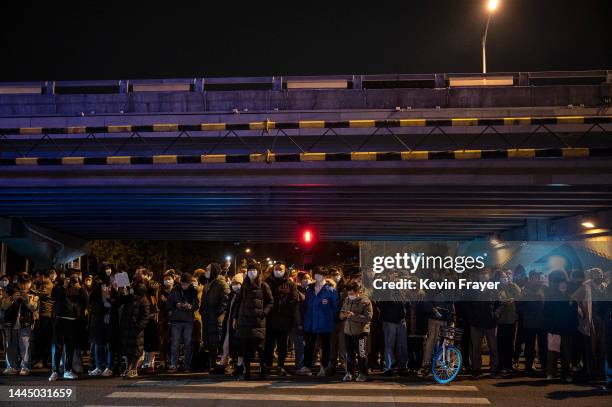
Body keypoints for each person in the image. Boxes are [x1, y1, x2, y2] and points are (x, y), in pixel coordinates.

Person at [234, 262, 273, 380]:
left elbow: (270, 301)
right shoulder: (244, 285)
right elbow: (238, 302)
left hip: (257, 322)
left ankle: (263, 369)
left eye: (254, 270)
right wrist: (236, 317)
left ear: (258, 272)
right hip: (244, 321)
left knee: (260, 348)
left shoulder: (264, 285)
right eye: (250, 270)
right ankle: (247, 371)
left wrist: (264, 313)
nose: (252, 272)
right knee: (246, 348)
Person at [299, 266, 339, 377]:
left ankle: (323, 367)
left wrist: (331, 318)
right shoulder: (310, 289)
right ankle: (306, 367)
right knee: (309, 346)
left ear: (325, 276)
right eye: (316, 274)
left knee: (325, 346)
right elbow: (306, 306)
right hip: (311, 323)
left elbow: (335, 308)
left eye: (320, 274)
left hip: (325, 323)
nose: (317, 276)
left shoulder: (331, 290)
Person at [49, 270, 88, 381]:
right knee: (58, 347)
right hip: (60, 320)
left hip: (73, 321)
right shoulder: (59, 286)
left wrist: (80, 288)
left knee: (70, 347)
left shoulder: (79, 288)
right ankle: (55, 371)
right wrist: (64, 287)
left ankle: (68, 370)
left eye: (75, 277)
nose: (73, 280)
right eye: (71, 277)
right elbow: (54, 297)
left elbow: (86, 301)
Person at [264, 262, 299, 376]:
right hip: (270, 319)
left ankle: (280, 366)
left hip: (284, 320)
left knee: (282, 345)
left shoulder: (290, 284)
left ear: (285, 271)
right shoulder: (267, 282)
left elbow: (294, 299)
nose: (278, 270)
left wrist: (288, 312)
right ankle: (268, 365)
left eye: (280, 269)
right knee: (269, 344)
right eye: (276, 269)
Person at [1, 273, 39, 375]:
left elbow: (34, 307)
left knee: (25, 346)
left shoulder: (34, 293)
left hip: (26, 323)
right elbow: (3, 306)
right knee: (10, 346)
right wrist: (12, 298)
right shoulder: (9, 291)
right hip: (10, 322)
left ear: (30, 283)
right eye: (21, 283)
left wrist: (26, 299)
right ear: (17, 283)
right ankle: (11, 367)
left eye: (26, 283)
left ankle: (25, 367)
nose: (24, 285)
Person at [468, 270, 501, 379]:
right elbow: (467, 304)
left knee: (493, 347)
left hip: (490, 322)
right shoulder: (472, 288)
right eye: (481, 274)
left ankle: (494, 370)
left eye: (485, 274)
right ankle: (476, 369)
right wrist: (472, 317)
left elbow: (499, 304)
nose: (483, 276)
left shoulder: (493, 288)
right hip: (476, 323)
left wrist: (495, 315)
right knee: (476, 348)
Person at [543, 270, 573, 382]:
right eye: (561, 282)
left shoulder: (570, 298)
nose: (563, 284)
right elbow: (546, 314)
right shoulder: (551, 297)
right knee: (552, 352)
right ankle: (551, 372)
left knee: (566, 353)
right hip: (554, 329)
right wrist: (550, 329)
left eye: (565, 282)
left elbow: (573, 315)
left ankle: (565, 374)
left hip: (566, 329)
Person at [340, 281, 373, 382]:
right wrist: (344, 315)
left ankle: (362, 373)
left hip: (361, 332)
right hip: (348, 331)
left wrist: (353, 315)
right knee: (349, 354)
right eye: (349, 293)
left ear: (357, 292)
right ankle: (350, 373)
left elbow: (368, 317)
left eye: (352, 293)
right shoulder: (346, 300)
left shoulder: (365, 301)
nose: (350, 295)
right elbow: (341, 314)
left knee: (362, 353)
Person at [166, 272, 199, 372]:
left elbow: (196, 305)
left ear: (190, 283)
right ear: (181, 282)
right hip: (176, 320)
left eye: (186, 284)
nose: (184, 286)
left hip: (188, 320)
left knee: (188, 343)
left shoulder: (193, 291)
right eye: (183, 283)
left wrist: (190, 306)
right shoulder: (175, 290)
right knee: (175, 343)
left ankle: (186, 365)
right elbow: (168, 303)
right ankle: (174, 364)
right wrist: (176, 305)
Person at [201, 263, 230, 374]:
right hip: (207, 317)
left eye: (207, 269)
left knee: (217, 340)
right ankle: (212, 363)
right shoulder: (208, 283)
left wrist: (218, 313)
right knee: (209, 341)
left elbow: (225, 300)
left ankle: (220, 364)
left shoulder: (221, 284)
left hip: (216, 317)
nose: (205, 271)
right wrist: (202, 311)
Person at [118, 281, 150, 378]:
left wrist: (137, 326)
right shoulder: (129, 297)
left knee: (136, 350)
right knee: (127, 350)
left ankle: (134, 369)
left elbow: (145, 317)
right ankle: (128, 367)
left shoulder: (144, 301)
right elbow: (119, 301)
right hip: (127, 328)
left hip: (136, 330)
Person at [88, 267, 115, 377]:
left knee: (108, 342)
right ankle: (99, 366)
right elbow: (92, 298)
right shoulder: (99, 283)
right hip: (99, 315)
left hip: (107, 315)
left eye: (109, 268)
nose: (108, 270)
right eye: (106, 268)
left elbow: (109, 300)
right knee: (98, 342)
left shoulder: (112, 283)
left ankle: (109, 367)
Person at [518, 270, 547, 374]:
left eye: (539, 277)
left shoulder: (544, 289)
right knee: (530, 345)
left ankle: (544, 366)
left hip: (542, 322)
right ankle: (529, 365)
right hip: (530, 321)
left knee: (543, 345)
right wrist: (528, 311)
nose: (538, 279)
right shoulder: (526, 290)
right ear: (531, 278)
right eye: (536, 277)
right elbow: (520, 305)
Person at [496, 269, 521, 374]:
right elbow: (496, 300)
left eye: (506, 276)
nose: (505, 278)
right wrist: (503, 303)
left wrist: (511, 284)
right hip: (501, 321)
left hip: (511, 320)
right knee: (501, 344)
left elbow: (520, 296)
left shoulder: (512, 286)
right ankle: (501, 366)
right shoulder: (496, 288)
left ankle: (508, 365)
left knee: (510, 344)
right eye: (502, 277)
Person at [221, 273, 244, 376]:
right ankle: (224, 364)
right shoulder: (232, 295)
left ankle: (239, 366)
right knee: (227, 345)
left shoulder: (243, 296)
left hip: (238, 325)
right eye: (233, 283)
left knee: (238, 346)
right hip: (229, 324)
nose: (235, 285)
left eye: (238, 283)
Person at [31, 269, 54, 369]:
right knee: (39, 338)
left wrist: (29, 288)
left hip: (46, 315)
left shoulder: (48, 285)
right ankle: (39, 359)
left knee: (43, 338)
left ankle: (43, 361)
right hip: (41, 314)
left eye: (38, 276)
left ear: (43, 276)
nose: (37, 278)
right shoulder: (43, 284)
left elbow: (39, 294)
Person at [157, 270, 174, 370]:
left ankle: (172, 360)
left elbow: (175, 305)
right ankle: (163, 361)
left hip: (174, 319)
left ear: (173, 280)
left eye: (169, 279)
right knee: (162, 341)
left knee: (172, 341)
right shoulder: (160, 291)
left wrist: (166, 301)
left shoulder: (176, 291)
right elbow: (159, 306)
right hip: (163, 319)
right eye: (165, 279)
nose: (167, 281)